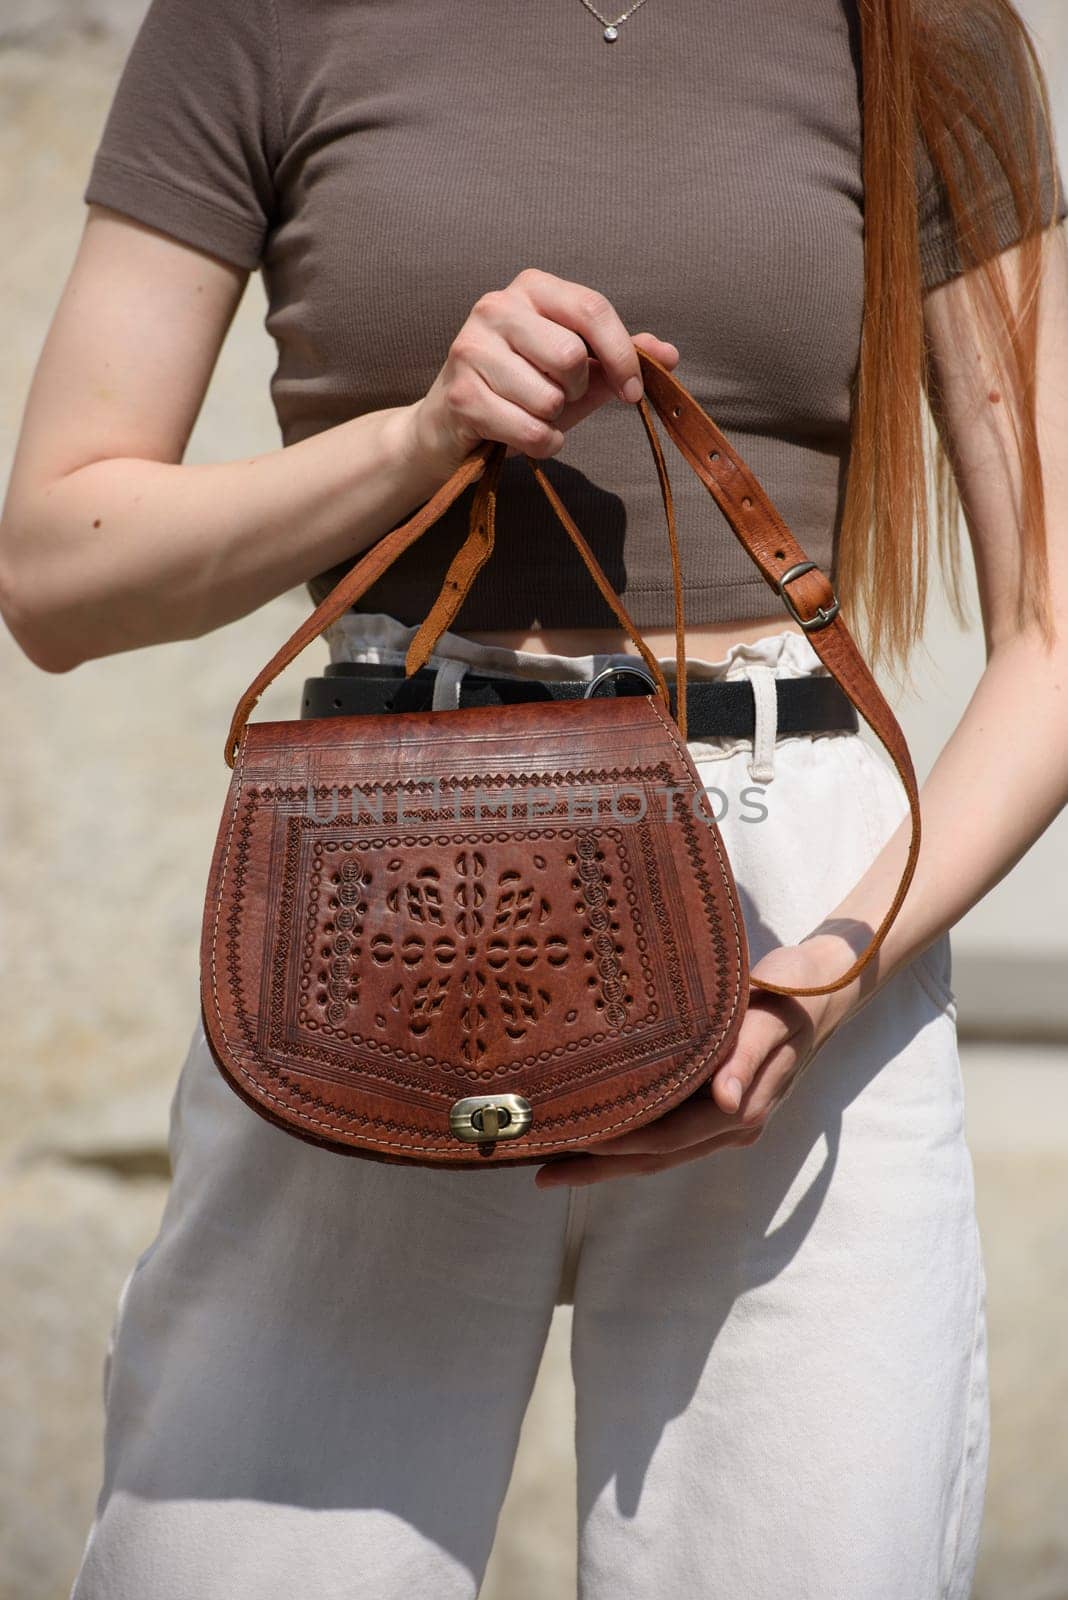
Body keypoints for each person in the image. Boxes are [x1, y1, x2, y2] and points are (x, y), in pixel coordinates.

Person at [1, 0, 1066, 1594]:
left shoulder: (923, 27)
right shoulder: (260, 16)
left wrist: (823, 982)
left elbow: (1055, 634)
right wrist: (419, 439)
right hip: (382, 894)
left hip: (798, 909)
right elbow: (55, 576)